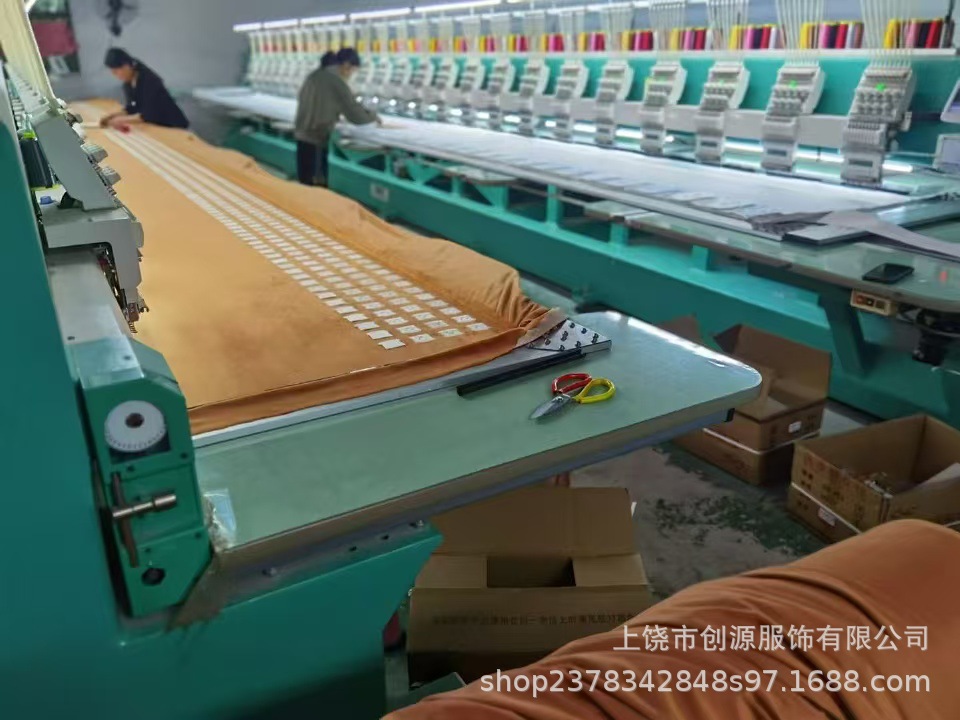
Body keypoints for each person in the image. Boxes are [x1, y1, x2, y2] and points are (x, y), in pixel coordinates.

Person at [294, 47, 381, 187]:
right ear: (346, 65)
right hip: (316, 137)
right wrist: (372, 117)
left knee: (305, 181)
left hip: (303, 133)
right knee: (316, 185)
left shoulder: (314, 75)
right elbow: (353, 112)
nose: (351, 75)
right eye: (352, 71)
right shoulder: (335, 80)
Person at [99, 48, 189, 130]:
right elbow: (132, 108)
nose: (115, 75)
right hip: (155, 126)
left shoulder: (149, 80)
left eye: (116, 72)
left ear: (126, 66)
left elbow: (148, 114)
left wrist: (121, 120)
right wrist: (113, 116)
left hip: (172, 126)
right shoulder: (128, 83)